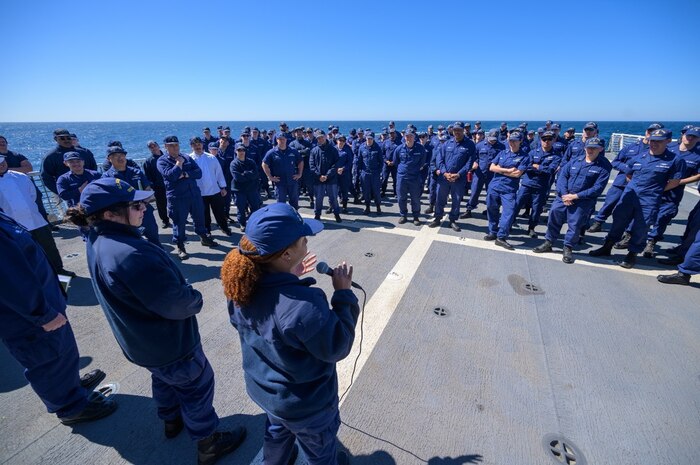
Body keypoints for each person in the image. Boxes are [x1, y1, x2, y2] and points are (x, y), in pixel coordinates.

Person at [66, 178, 247, 464]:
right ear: (110, 214)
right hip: (170, 345)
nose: (145, 210)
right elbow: (178, 304)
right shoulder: (131, 253)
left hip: (142, 343)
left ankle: (171, 419)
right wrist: (196, 298)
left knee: (163, 380)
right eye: (137, 205)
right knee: (197, 386)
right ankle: (208, 442)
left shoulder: (97, 238)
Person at [222, 202, 358, 465]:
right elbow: (338, 346)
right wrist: (343, 294)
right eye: (303, 239)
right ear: (285, 254)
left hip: (267, 393)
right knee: (320, 450)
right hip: (305, 405)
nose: (307, 242)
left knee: (277, 431)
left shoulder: (239, 286)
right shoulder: (304, 305)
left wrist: (288, 276)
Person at [0, 211, 117, 425]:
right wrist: (42, 314)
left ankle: (71, 386)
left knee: (62, 352)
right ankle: (70, 408)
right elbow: (9, 281)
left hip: (45, 302)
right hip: (30, 318)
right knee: (47, 360)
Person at [589, 129, 684, 268]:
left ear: (668, 141)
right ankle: (607, 246)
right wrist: (634, 186)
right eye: (652, 140)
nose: (654, 144)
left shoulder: (675, 160)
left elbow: (675, 182)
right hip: (629, 196)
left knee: (641, 227)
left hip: (649, 199)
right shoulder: (640, 156)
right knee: (618, 221)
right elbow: (629, 173)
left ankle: (632, 254)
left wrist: (655, 190)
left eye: (659, 141)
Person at [532, 138, 612, 263]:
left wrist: (575, 196)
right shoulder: (576, 160)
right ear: (585, 148)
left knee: (575, 225)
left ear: (600, 149)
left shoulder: (603, 166)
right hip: (563, 197)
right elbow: (563, 175)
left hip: (582, 201)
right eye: (589, 147)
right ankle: (549, 242)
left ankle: (568, 247)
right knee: (553, 217)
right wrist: (564, 194)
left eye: (594, 148)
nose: (591, 150)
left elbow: (597, 188)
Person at [0, 155, 75, 276]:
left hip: (36, 220)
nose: (2, 164)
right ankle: (34, 276)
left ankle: (59, 271)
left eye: (2, 161)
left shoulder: (20, 176)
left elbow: (32, 195)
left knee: (50, 248)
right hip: (14, 226)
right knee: (23, 253)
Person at [587, 123, 662, 233]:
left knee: (632, 209)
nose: (651, 134)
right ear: (646, 132)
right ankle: (598, 222)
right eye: (650, 131)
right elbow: (615, 162)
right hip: (622, 182)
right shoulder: (631, 147)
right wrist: (628, 169)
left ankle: (626, 232)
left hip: (641, 186)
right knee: (610, 202)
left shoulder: (657, 152)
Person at [157, 135, 218, 261]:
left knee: (199, 217)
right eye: (171, 145)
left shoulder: (187, 157)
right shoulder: (162, 161)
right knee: (179, 222)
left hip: (193, 194)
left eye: (176, 144)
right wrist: (178, 164)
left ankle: (203, 237)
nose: (175, 147)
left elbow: (198, 173)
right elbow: (171, 176)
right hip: (177, 197)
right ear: (166, 147)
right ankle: (180, 246)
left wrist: (185, 173)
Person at [643, 127, 700, 257]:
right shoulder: (669, 147)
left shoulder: (698, 155)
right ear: (682, 134)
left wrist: (679, 182)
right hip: (654, 187)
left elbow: (698, 175)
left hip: (674, 191)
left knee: (663, 217)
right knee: (644, 213)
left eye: (694, 137)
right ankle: (631, 236)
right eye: (688, 135)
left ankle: (651, 241)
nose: (690, 138)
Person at [102, 146, 162, 248]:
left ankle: (160, 256)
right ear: (109, 159)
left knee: (153, 236)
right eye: (116, 156)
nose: (120, 158)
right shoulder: (106, 177)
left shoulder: (136, 172)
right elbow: (108, 198)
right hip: (123, 214)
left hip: (143, 210)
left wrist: (142, 204)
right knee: (130, 241)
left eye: (122, 155)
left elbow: (147, 189)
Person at [483, 132, 530, 249]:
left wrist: (499, 169)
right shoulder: (502, 153)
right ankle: (493, 231)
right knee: (491, 209)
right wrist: (508, 171)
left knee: (508, 213)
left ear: (520, 141)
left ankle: (501, 236)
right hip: (494, 186)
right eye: (510, 140)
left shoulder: (524, 157)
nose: (512, 143)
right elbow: (491, 167)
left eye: (515, 141)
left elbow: (517, 174)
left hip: (508, 189)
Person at [429, 122, 477, 232]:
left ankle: (452, 220)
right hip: (444, 178)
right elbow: (439, 160)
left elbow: (469, 163)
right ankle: (437, 218)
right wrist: (445, 173)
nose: (457, 132)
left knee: (456, 200)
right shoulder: (447, 143)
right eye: (455, 130)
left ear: (463, 130)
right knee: (440, 199)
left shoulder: (470, 144)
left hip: (459, 178)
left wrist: (458, 174)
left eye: (459, 130)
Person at [514, 131, 562, 238]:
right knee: (517, 204)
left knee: (536, 209)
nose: (546, 142)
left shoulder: (556, 156)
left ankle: (531, 228)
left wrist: (537, 167)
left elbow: (551, 170)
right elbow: (527, 166)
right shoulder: (533, 152)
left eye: (549, 139)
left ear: (553, 140)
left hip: (541, 185)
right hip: (527, 183)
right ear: (541, 140)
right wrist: (540, 168)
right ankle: (511, 222)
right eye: (544, 139)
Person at [188, 137, 231, 236]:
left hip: (214, 190)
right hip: (200, 193)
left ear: (202, 145)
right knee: (204, 214)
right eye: (194, 144)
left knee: (219, 211)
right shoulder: (189, 159)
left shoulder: (211, 157)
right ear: (191, 146)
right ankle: (207, 231)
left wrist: (223, 187)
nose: (197, 146)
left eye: (199, 144)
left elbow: (219, 173)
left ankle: (224, 227)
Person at [56, 151, 101, 239]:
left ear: (83, 162)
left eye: (78, 161)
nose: (76, 164)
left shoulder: (95, 174)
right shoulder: (63, 179)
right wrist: (79, 190)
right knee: (90, 239)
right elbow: (63, 195)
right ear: (66, 163)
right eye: (72, 162)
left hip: (99, 211)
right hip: (81, 215)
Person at [41, 128, 98, 196]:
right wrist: (61, 192)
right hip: (69, 194)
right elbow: (47, 177)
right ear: (56, 139)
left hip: (90, 190)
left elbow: (93, 168)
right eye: (62, 138)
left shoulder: (84, 152)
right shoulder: (50, 157)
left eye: (68, 137)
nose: (66, 140)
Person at [463, 129, 504, 218]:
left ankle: (490, 211)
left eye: (494, 139)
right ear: (487, 136)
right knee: (474, 192)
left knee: (492, 194)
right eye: (491, 139)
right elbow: (474, 156)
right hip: (479, 173)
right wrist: (475, 162)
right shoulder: (480, 145)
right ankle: (469, 209)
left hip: (493, 175)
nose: (492, 141)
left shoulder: (502, 147)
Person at [262, 134, 304, 210]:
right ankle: (282, 219)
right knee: (280, 204)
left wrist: (299, 174)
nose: (282, 141)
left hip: (292, 180)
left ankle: (294, 219)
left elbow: (300, 161)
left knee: (294, 202)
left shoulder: (293, 151)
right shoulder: (272, 152)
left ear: (286, 140)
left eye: (283, 139)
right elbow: (264, 164)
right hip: (280, 182)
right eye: (280, 139)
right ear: (277, 140)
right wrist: (270, 177)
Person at [393, 129, 426, 225]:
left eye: (411, 136)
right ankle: (403, 215)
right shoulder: (399, 149)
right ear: (404, 137)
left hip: (414, 177)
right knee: (401, 198)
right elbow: (396, 162)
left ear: (414, 137)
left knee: (415, 198)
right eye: (407, 136)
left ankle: (416, 217)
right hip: (402, 177)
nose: (409, 138)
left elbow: (422, 162)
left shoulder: (420, 148)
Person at [309, 130, 342, 223]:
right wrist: (319, 176)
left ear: (325, 137)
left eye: (321, 137)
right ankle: (317, 215)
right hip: (318, 179)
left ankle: (337, 214)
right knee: (318, 199)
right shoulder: (314, 150)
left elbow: (336, 164)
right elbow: (312, 165)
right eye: (318, 138)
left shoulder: (333, 149)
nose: (320, 139)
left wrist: (327, 175)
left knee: (333, 199)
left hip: (331, 179)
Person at [230, 144, 261, 232]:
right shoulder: (233, 163)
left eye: (243, 150)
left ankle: (253, 222)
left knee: (255, 207)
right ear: (236, 152)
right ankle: (242, 224)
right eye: (239, 150)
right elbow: (237, 178)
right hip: (239, 190)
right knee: (241, 208)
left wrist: (244, 174)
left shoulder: (251, 162)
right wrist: (249, 175)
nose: (241, 152)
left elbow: (255, 174)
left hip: (252, 189)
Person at [142, 141, 170, 229]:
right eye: (151, 147)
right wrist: (153, 186)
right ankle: (165, 220)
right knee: (161, 205)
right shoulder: (148, 162)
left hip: (171, 185)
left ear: (158, 146)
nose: (153, 148)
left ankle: (180, 218)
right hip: (159, 188)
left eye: (155, 146)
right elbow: (147, 177)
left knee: (176, 203)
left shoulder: (168, 156)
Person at [355, 132, 384, 216]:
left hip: (375, 173)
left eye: (371, 138)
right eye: (368, 138)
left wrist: (378, 172)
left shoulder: (377, 148)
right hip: (365, 174)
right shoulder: (362, 147)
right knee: (365, 191)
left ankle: (378, 207)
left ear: (373, 139)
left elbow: (381, 162)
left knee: (376, 192)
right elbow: (359, 161)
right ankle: (367, 207)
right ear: (365, 138)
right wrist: (360, 172)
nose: (369, 140)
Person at [335, 134, 355, 214]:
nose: (342, 142)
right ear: (337, 141)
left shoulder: (348, 149)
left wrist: (343, 168)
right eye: (340, 140)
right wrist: (335, 169)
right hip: (334, 173)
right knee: (333, 191)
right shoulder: (333, 149)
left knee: (344, 190)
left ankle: (344, 207)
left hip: (345, 173)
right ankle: (331, 206)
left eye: (343, 141)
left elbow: (350, 162)